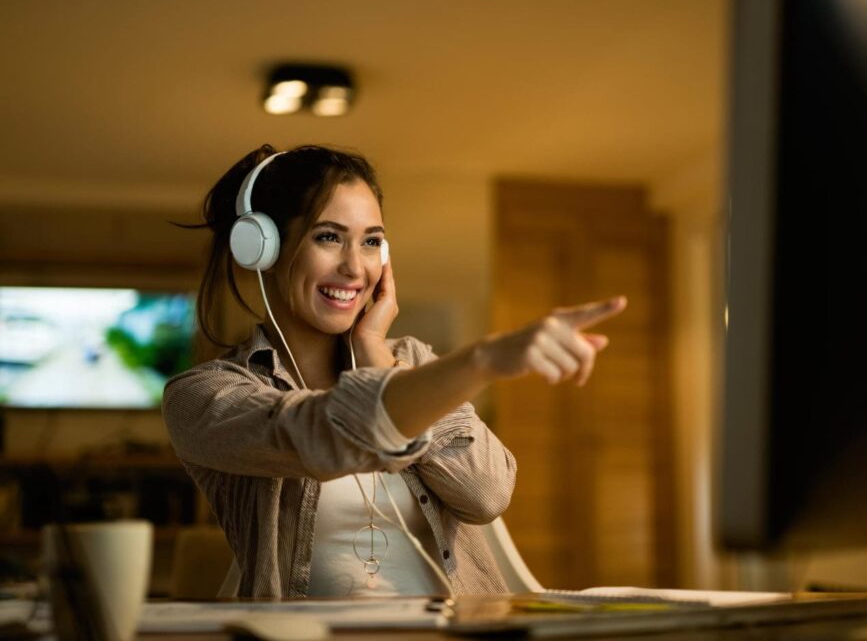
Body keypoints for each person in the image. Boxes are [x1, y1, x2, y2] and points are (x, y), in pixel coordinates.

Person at [163, 144, 626, 598]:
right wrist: (482, 360)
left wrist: (376, 353)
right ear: (263, 248)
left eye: (371, 242)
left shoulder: (412, 361)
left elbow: (486, 494)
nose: (354, 267)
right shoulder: (204, 395)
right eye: (328, 236)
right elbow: (322, 435)